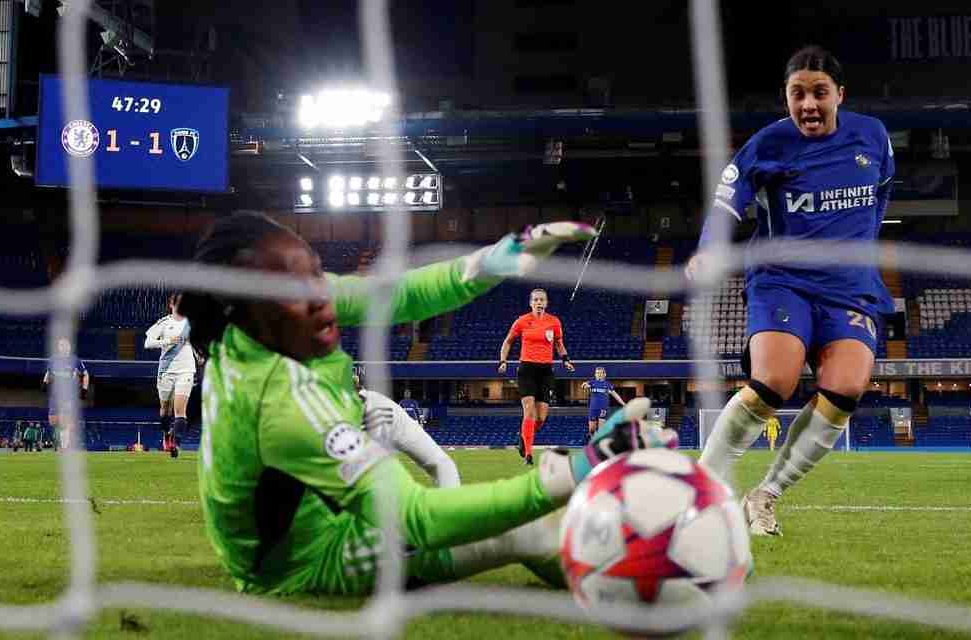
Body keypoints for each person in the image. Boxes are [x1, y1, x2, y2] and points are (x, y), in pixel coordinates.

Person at [181, 212, 673, 595]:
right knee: (517, 531)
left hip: (309, 503)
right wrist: (582, 465)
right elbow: (417, 516)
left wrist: (500, 258)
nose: (321, 295)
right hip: (302, 560)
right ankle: (633, 584)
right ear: (244, 312)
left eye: (316, 274)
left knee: (526, 523)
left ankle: (602, 569)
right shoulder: (280, 401)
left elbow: (399, 294)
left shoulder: (263, 324)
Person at [690, 46, 895, 536]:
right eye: (797, 93)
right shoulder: (769, 143)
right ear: (786, 97)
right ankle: (699, 493)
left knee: (845, 389)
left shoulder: (874, 136)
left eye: (819, 93)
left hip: (849, 287)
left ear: (839, 95)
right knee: (773, 383)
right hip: (783, 279)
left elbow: (881, 195)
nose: (808, 104)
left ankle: (765, 495)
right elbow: (727, 202)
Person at [497, 288, 575, 466]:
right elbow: (508, 341)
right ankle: (529, 455)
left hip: (546, 372)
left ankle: (523, 437)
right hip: (527, 370)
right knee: (529, 412)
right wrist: (503, 360)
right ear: (531, 303)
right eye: (536, 300)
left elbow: (558, 343)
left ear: (546, 303)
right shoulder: (522, 321)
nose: (539, 303)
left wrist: (565, 359)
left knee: (541, 418)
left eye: (542, 300)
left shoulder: (554, 322)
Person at [355, 373, 459, 488]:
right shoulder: (394, 404)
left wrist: (419, 423)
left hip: (405, 425)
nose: (407, 394)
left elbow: (417, 414)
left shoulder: (388, 406)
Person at [144, 292, 199, 459]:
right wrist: (167, 341)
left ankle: (175, 441)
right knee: (165, 410)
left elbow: (195, 343)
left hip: (186, 370)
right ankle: (167, 435)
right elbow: (147, 343)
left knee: (180, 411)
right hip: (166, 370)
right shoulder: (163, 323)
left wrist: (199, 356)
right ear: (172, 305)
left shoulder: (191, 323)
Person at [42, 338, 89, 451]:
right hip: (55, 394)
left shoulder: (75, 360)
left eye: (65, 345)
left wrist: (84, 389)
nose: (63, 347)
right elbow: (48, 373)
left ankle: (65, 446)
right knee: (53, 420)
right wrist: (44, 382)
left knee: (65, 420)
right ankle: (64, 436)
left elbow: (86, 375)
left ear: (69, 347)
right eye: (60, 345)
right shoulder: (53, 360)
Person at [580, 366, 625, 443]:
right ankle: (592, 438)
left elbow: (615, 395)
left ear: (605, 374)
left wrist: (624, 404)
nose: (599, 374)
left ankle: (598, 443)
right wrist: (584, 385)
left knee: (601, 429)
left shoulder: (607, 384)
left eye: (601, 373)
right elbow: (584, 385)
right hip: (593, 408)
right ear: (595, 374)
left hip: (603, 408)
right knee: (591, 429)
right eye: (597, 373)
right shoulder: (592, 382)